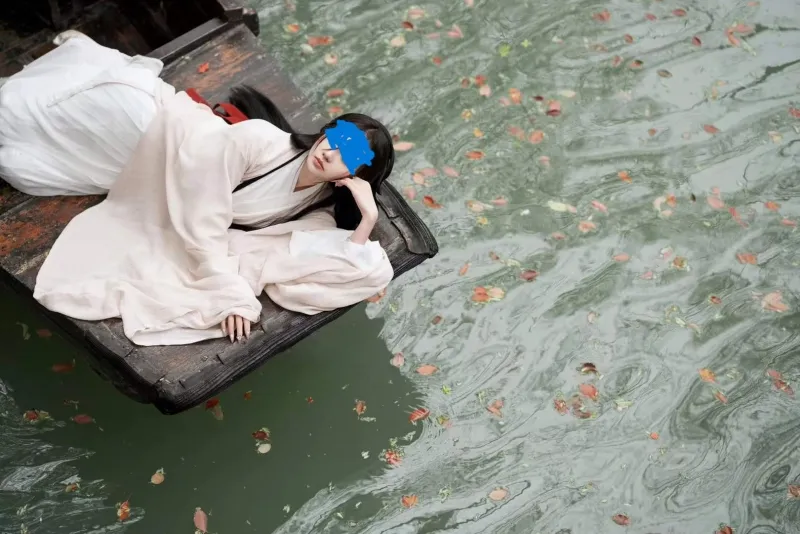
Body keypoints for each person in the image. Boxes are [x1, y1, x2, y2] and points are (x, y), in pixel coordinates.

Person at [0, 31, 394, 346]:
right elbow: (202, 219)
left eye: (347, 156)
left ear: (356, 174)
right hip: (150, 129)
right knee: (19, 113)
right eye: (335, 139)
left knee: (24, 162)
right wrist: (229, 291)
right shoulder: (259, 139)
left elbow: (355, 266)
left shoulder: (316, 209)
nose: (329, 154)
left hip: (148, 172)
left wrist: (367, 219)